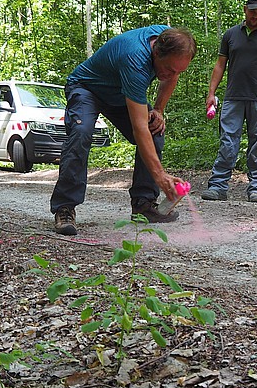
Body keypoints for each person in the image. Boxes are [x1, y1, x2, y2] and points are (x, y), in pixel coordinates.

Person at [50, 25, 197, 236]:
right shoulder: (135, 59)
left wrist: (158, 109)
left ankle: (143, 205)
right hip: (87, 88)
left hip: (120, 94)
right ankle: (65, 207)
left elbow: (171, 77)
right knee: (81, 133)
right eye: (168, 69)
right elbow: (139, 129)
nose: (171, 75)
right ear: (156, 52)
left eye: (178, 71)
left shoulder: (172, 42)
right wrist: (160, 175)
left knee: (155, 129)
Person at [202, 0, 257, 203]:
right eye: (252, 11)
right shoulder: (231, 35)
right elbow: (220, 64)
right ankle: (218, 186)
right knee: (228, 141)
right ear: (245, 10)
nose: (256, 16)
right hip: (233, 98)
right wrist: (211, 93)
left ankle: (256, 187)